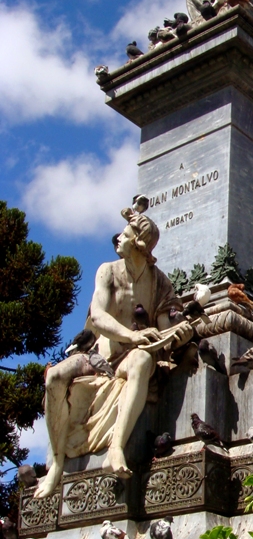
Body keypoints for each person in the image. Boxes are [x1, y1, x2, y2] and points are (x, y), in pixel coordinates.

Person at [34, 207, 192, 499]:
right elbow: (98, 317)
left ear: (138, 243)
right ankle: (56, 461)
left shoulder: (159, 282)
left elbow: (164, 327)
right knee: (54, 376)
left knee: (143, 359)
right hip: (96, 357)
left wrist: (179, 335)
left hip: (129, 358)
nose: (118, 238)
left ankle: (116, 447)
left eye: (126, 234)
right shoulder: (108, 271)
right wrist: (132, 334)